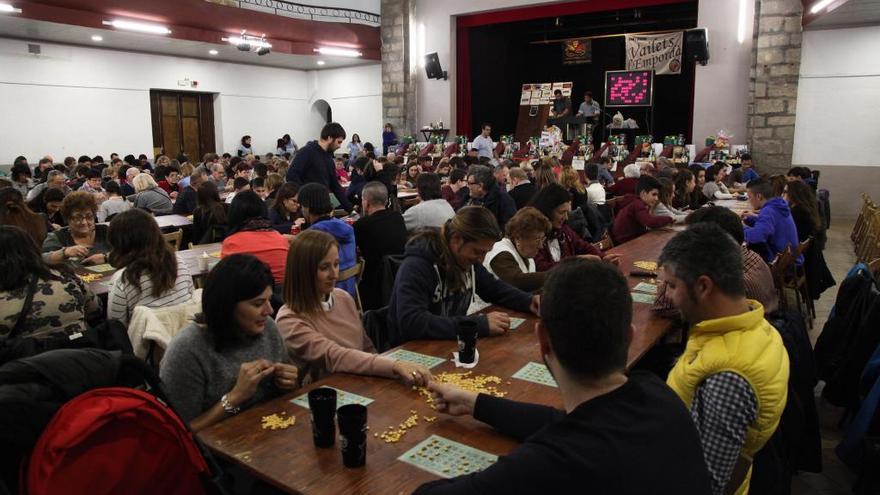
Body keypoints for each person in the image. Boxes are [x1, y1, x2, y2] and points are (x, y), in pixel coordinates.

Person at [416, 259, 712, 494]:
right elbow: (563, 421)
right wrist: (476, 403)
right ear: (629, 336)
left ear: (543, 341)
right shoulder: (657, 392)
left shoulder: (551, 463)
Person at [658, 223, 790, 495]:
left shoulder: (728, 378)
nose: (667, 295)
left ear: (703, 286)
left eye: (671, 285)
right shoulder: (758, 329)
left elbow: (706, 483)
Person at [160, 254, 299, 431]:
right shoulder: (188, 349)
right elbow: (178, 433)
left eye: (269, 300)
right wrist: (235, 397)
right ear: (227, 306)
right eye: (258, 304)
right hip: (217, 453)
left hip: (269, 439)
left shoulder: (268, 327)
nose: (270, 310)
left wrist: (290, 383)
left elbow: (288, 397)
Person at [275, 230, 432, 385]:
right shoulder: (289, 319)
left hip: (363, 386)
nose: (334, 274)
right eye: (324, 268)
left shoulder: (343, 298)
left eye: (336, 264)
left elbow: (367, 348)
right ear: (303, 271)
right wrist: (394, 365)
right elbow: (334, 356)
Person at [387, 206, 539, 346]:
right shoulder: (417, 266)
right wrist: (477, 325)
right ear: (456, 239)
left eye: (485, 252)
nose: (481, 259)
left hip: (446, 344)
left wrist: (529, 301)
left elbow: (493, 288)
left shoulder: (466, 260)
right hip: (412, 351)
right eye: (477, 252)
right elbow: (412, 323)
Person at [653, 206, 778, 317]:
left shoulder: (724, 281)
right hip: (764, 326)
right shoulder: (752, 256)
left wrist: (676, 269)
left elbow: (662, 305)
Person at [0, 225, 102, 343]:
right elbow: (95, 310)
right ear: (32, 248)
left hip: (24, 358)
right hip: (78, 352)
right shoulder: (65, 277)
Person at [106, 209, 194, 326]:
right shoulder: (179, 263)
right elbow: (191, 300)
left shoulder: (123, 279)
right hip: (185, 334)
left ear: (118, 243)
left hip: (148, 341)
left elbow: (116, 327)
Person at [530, 184, 615, 272]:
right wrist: (575, 261)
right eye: (561, 212)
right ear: (547, 210)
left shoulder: (563, 229)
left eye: (567, 212)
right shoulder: (533, 237)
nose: (566, 217)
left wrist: (603, 257)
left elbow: (583, 246)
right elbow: (541, 268)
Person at [353, 181, 407, 310]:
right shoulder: (398, 218)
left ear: (366, 202)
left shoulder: (361, 225)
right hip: (401, 278)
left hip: (374, 285)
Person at [297, 183, 357, 298]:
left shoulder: (312, 235)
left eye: (302, 206)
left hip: (324, 294)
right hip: (349, 291)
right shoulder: (347, 228)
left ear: (307, 208)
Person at [221, 191, 290, 286]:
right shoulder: (281, 239)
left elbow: (226, 279)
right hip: (283, 297)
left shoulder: (231, 243)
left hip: (248, 297)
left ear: (234, 215)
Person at [783, 180, 835, 299]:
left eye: (785, 192)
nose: (782, 195)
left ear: (794, 194)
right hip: (804, 257)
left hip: (796, 259)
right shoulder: (805, 209)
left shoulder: (797, 213)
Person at [286, 122, 352, 211]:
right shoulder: (307, 151)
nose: (339, 146)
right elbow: (291, 176)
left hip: (322, 205)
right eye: (339, 142)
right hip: (308, 207)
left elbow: (335, 186)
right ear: (329, 138)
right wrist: (307, 196)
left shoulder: (328, 158)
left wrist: (350, 209)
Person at [483, 207, 551, 292]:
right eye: (537, 240)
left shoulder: (528, 256)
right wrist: (555, 275)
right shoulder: (500, 252)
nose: (541, 246)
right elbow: (517, 281)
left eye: (542, 239)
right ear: (518, 238)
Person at [743, 178, 803, 265]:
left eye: (750, 197)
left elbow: (758, 237)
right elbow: (771, 224)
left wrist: (741, 229)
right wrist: (749, 219)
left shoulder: (769, 210)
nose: (749, 200)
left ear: (759, 196)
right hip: (791, 258)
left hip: (782, 264)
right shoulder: (779, 204)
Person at [42, 192, 110, 266]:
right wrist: (64, 253)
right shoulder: (57, 237)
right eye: (78, 217)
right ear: (68, 218)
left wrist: (106, 257)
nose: (84, 222)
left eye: (89, 217)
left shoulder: (106, 231)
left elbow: (124, 252)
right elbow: (40, 259)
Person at [612, 176, 674, 244]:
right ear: (643, 193)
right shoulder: (637, 204)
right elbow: (649, 222)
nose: (656, 198)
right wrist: (669, 219)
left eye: (657, 195)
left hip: (632, 239)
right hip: (626, 243)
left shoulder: (638, 202)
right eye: (654, 194)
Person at [465, 165, 515, 229]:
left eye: (469, 183)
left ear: (480, 186)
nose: (467, 186)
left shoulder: (504, 201)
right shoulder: (468, 197)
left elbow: (508, 229)